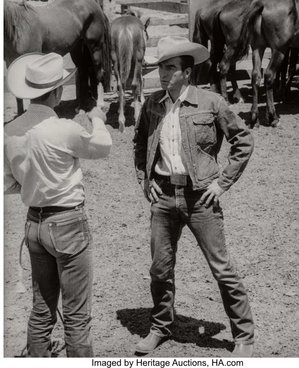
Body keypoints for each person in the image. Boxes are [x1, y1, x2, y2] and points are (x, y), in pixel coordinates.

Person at [133, 36, 255, 357]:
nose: (163, 74)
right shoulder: (152, 105)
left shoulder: (210, 102)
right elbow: (139, 143)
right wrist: (146, 181)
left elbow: (243, 140)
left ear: (187, 72)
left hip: (201, 196)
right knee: (160, 268)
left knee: (221, 267)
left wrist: (222, 182)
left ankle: (243, 335)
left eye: (170, 67)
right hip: (163, 197)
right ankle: (160, 327)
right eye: (160, 67)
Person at [4, 52, 112, 357]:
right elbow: (103, 147)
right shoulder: (64, 128)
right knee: (77, 315)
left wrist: (32, 181)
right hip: (67, 222)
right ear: (57, 91)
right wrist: (98, 120)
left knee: (42, 309)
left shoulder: (10, 132)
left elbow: (7, 182)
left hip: (34, 225)